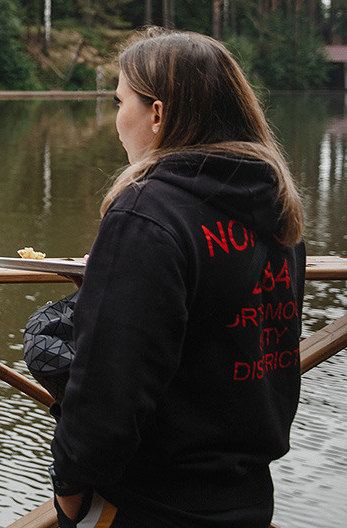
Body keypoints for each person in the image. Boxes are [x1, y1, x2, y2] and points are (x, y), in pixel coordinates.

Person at [49, 29, 306, 528]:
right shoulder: (276, 205)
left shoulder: (147, 212)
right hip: (249, 496)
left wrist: (69, 493)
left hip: (148, 502)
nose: (116, 119)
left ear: (158, 114)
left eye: (121, 101)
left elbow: (108, 388)